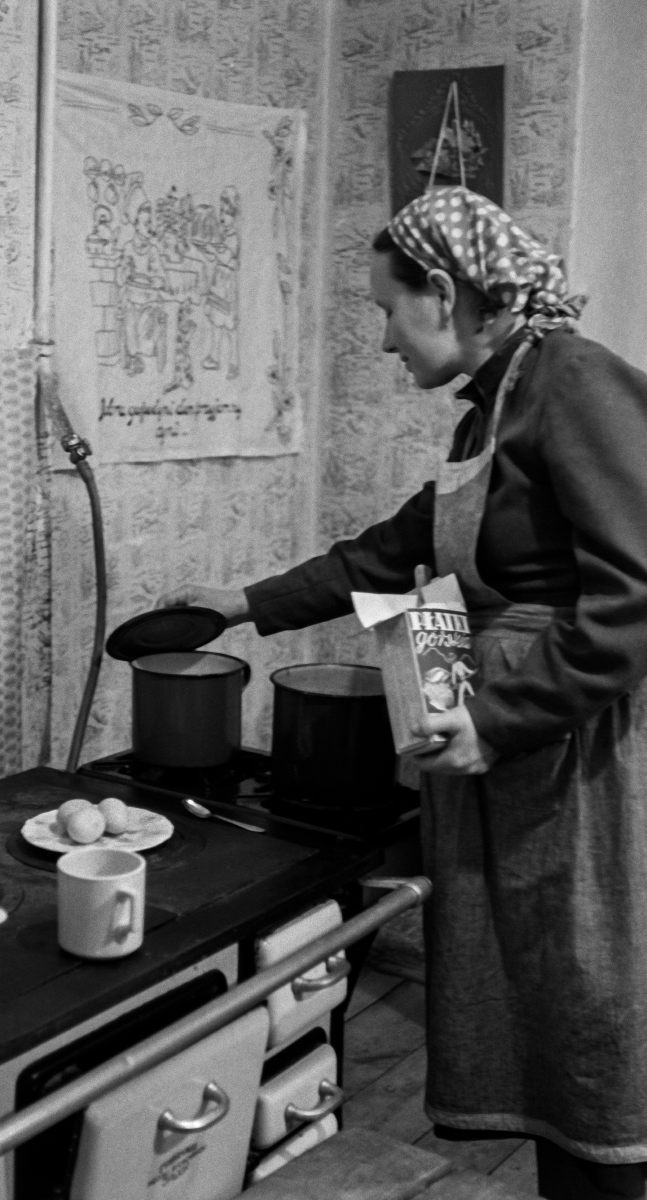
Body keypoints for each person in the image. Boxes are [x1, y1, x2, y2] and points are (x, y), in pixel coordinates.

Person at [160, 186, 647, 1199]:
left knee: (585, 991)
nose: (382, 339)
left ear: (443, 289)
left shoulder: (575, 383)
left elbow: (633, 596)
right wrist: (240, 603)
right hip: (503, 748)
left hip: (570, 753)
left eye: (386, 309)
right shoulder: (493, 411)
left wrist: (497, 717)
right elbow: (394, 555)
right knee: (531, 995)